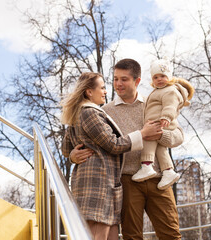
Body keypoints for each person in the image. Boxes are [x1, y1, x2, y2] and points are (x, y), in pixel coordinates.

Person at [70, 59, 185, 239]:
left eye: (124, 79)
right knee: (132, 236)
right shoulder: (104, 111)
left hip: (159, 178)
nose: (118, 84)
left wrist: (159, 135)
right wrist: (72, 155)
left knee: (171, 234)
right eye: (115, 79)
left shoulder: (154, 102)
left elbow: (178, 135)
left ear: (137, 81)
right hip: (128, 180)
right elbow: (79, 139)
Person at [60, 72, 161, 240]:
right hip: (96, 184)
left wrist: (72, 156)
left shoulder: (79, 114)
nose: (106, 91)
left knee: (111, 234)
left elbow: (66, 149)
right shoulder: (89, 113)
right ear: (89, 92)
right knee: (97, 234)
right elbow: (113, 144)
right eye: (102, 87)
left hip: (105, 185)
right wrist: (142, 133)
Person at [132, 59, 194, 190]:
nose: (159, 79)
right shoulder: (158, 91)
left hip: (160, 123)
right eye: (156, 77)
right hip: (158, 122)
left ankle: (146, 165)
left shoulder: (170, 90)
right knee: (161, 149)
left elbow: (170, 105)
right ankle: (168, 171)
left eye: (163, 76)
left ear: (170, 77)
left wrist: (166, 117)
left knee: (148, 139)